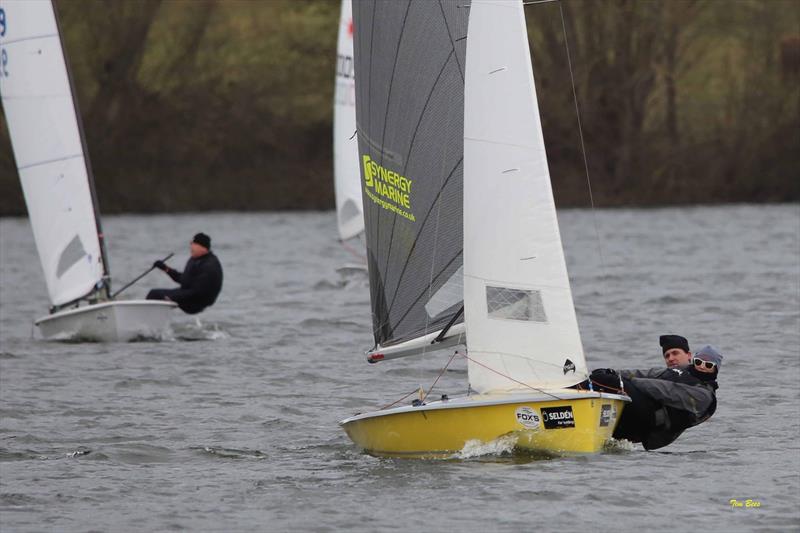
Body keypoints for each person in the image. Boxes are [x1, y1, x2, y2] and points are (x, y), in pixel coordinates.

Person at [589, 345, 722, 451]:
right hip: (637, 411)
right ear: (694, 360)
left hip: (650, 423)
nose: (702, 366)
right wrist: (615, 372)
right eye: (699, 362)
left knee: (606, 381)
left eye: (708, 365)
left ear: (715, 369)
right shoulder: (678, 371)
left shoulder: (704, 396)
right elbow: (645, 374)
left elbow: (665, 390)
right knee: (602, 375)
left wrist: (623, 381)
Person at [146, 232, 223, 314]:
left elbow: (198, 292)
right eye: (191, 244)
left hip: (197, 302)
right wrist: (165, 268)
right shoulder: (195, 259)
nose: (191, 247)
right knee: (154, 293)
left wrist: (171, 297)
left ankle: (146, 320)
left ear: (202, 247)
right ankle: (153, 320)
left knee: (156, 295)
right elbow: (185, 280)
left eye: (194, 244)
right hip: (189, 295)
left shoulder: (210, 266)